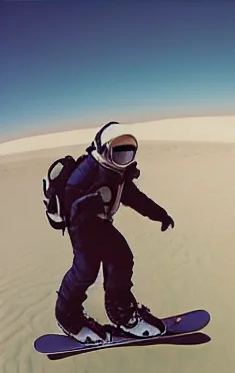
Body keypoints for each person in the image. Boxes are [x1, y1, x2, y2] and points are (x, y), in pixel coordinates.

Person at [54, 122, 175, 344]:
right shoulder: (87, 174)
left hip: (100, 224)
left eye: (128, 153)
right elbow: (72, 202)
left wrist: (160, 214)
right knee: (85, 271)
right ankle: (67, 317)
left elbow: (135, 198)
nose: (123, 159)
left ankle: (121, 313)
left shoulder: (116, 173)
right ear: (103, 149)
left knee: (121, 259)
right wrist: (84, 208)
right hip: (82, 228)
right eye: (118, 153)